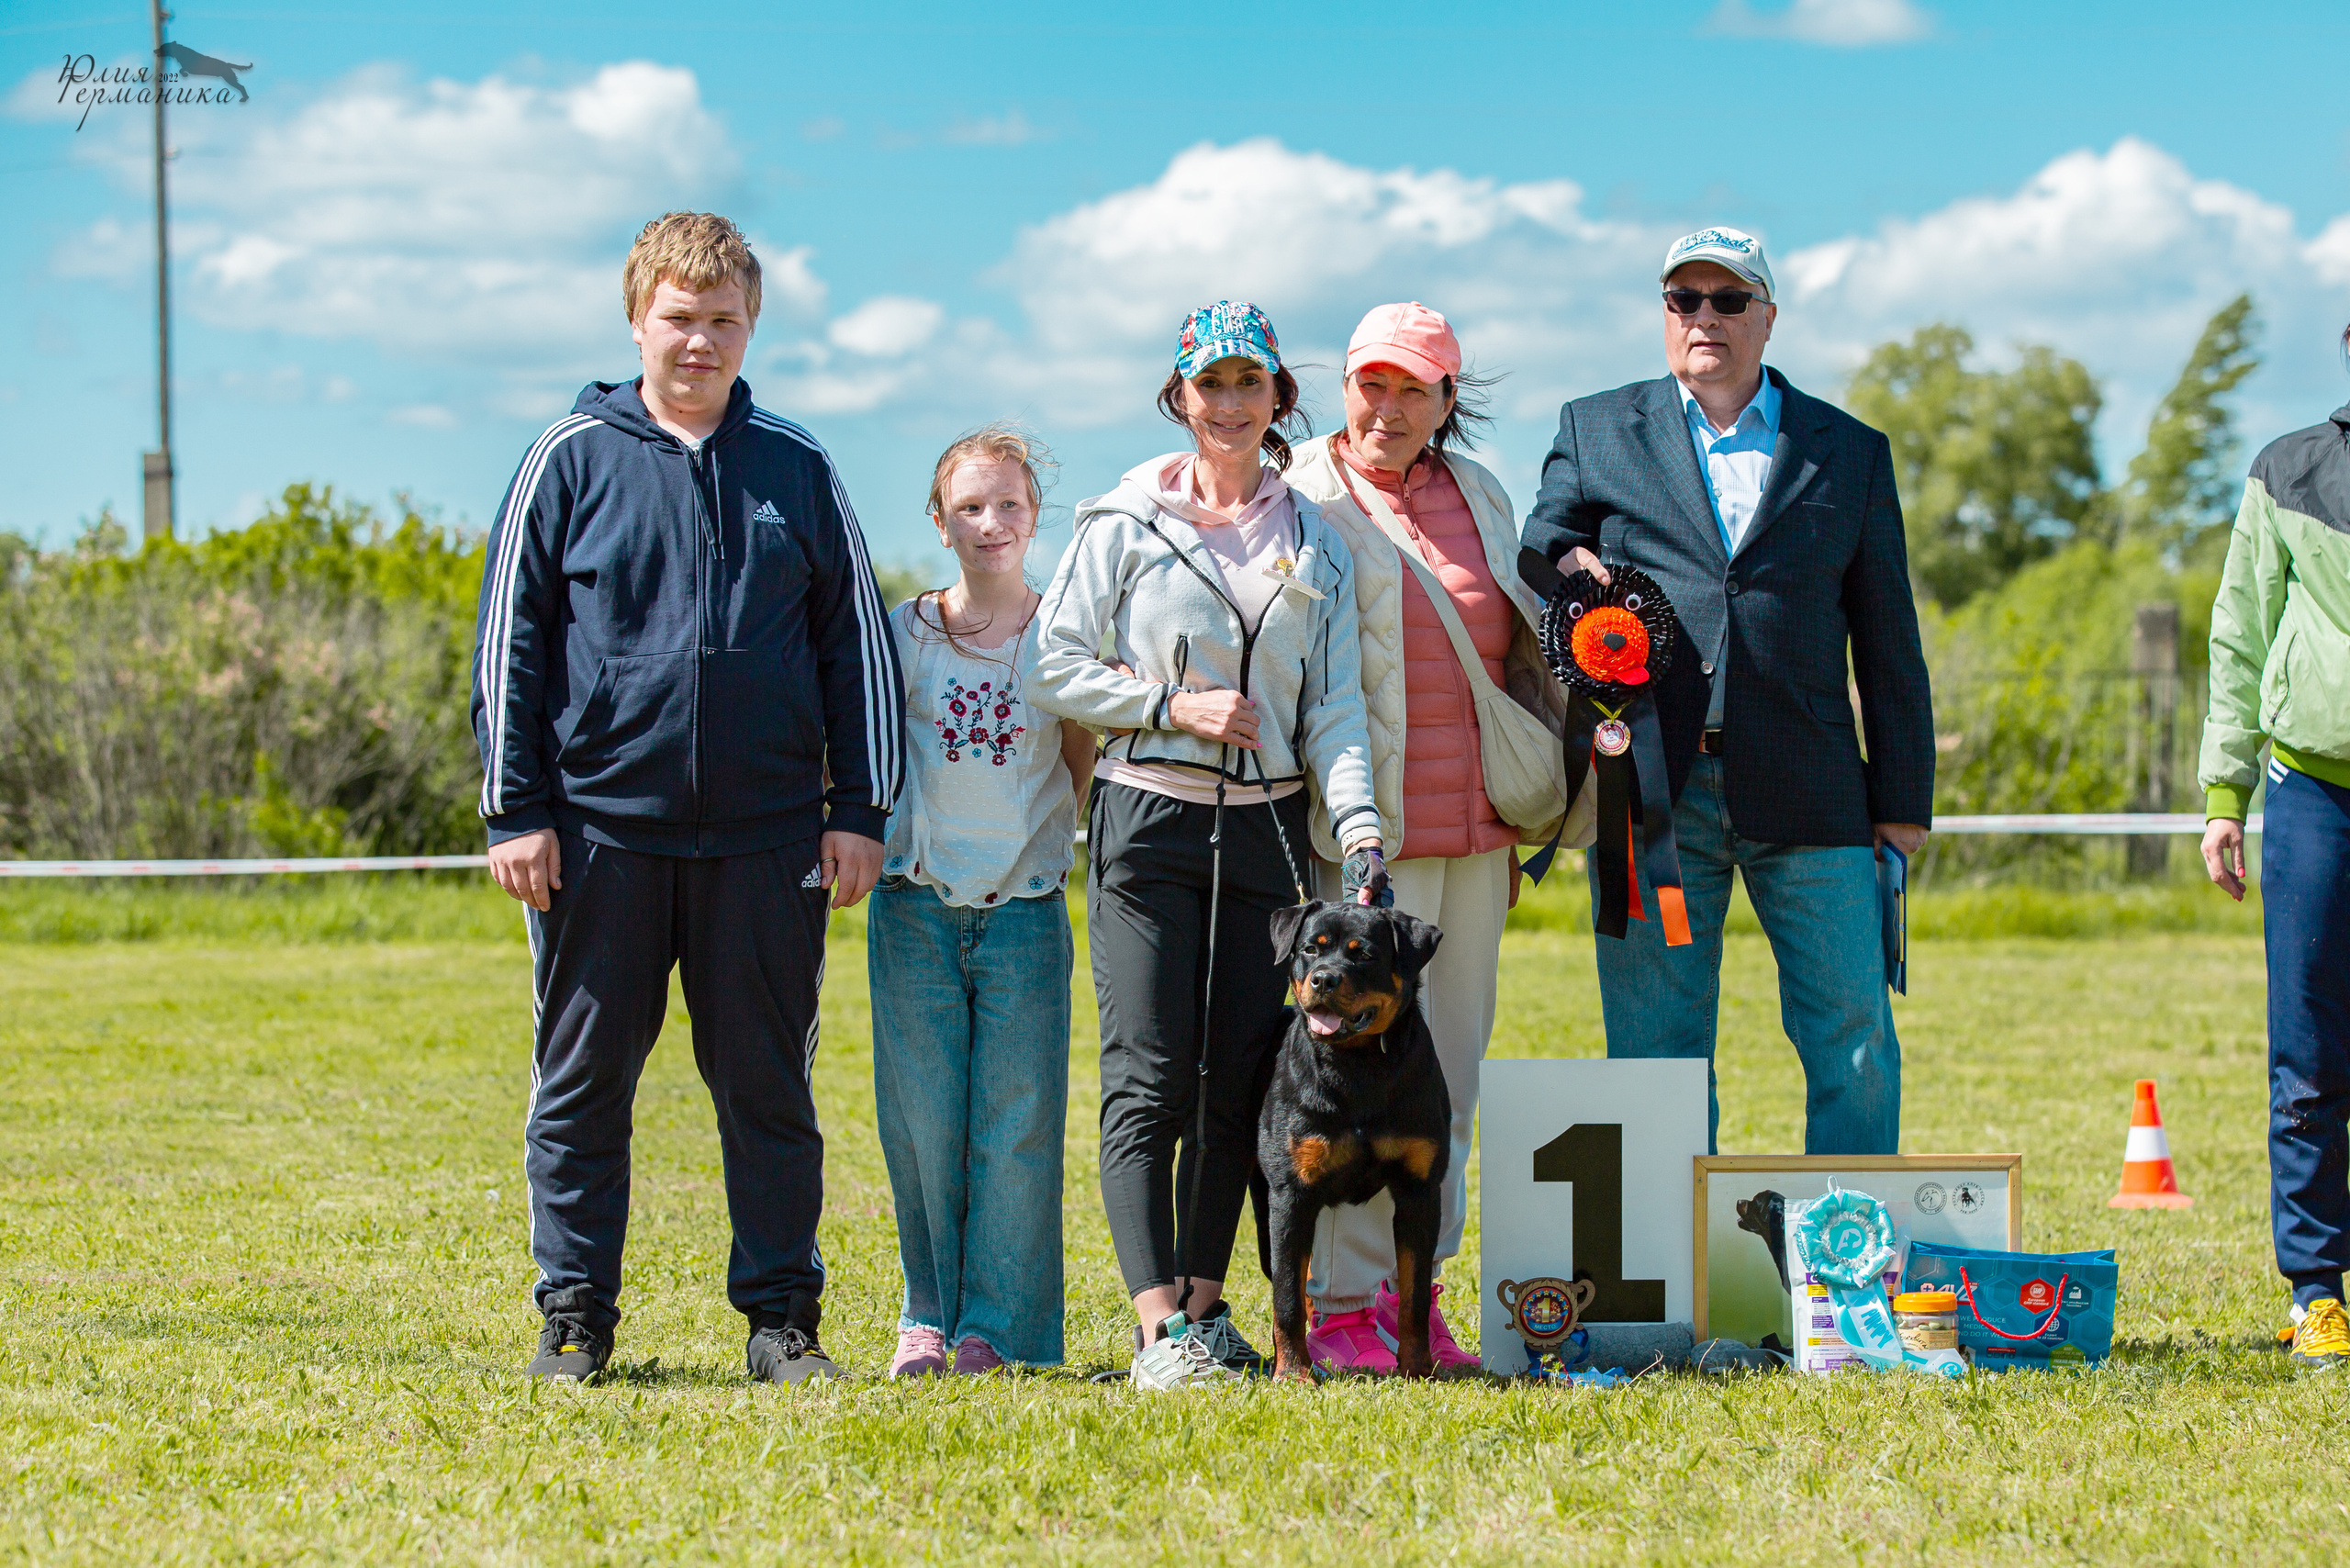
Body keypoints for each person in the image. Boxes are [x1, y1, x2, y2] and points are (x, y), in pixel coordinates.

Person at [473, 211, 902, 1385]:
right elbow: (510, 642)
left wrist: (859, 809)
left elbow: (853, 648)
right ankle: (575, 1318)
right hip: (598, 836)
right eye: (680, 317)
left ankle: (781, 1321)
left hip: (770, 843)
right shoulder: (568, 456)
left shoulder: (799, 467)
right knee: (581, 1085)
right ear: (637, 318)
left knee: (768, 1089)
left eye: (723, 320)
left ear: (750, 323)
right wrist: (516, 811)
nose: (701, 340)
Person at [1031, 300, 1386, 1389]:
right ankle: (1155, 1332)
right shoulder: (1123, 521)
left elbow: (1334, 709)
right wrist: (1167, 707)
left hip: (1272, 828)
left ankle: (1206, 1307)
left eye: (1250, 383)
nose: (1229, 403)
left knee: (1239, 1081)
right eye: (1209, 383)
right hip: (1148, 822)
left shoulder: (1314, 538)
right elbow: (1050, 666)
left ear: (1279, 398)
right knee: (1147, 1078)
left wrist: (1361, 835)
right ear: (1178, 396)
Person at [1518, 226, 1934, 1154]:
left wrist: (1903, 801)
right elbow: (1539, 541)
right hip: (1649, 791)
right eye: (1683, 300)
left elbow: (1888, 636)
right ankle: (1671, 1279)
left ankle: (1847, 1282)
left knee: (1854, 1041)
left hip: (1816, 789)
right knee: (1654, 1053)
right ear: (1664, 316)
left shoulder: (1850, 450)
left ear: (1766, 318)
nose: (1704, 317)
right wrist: (1584, 572)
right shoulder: (1594, 425)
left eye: (1727, 300)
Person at [1282, 302, 1570, 1372]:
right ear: (1342, 387)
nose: (1387, 408)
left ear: (1448, 402)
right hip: (1365, 835)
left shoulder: (1481, 493)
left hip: (1478, 832)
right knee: (1345, 1076)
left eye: (1413, 389)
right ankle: (1341, 1300)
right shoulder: (1305, 491)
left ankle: (1414, 1294)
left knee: (1448, 1074)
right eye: (1371, 383)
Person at [868, 426, 1093, 1378]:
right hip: (915, 905)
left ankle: (995, 1328)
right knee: (923, 1120)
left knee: (1019, 1122)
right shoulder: (902, 631)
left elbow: (1078, 760)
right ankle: (927, 1311)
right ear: (938, 520)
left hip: (1025, 912)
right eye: (969, 506)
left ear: (1034, 516)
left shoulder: (1065, 636)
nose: (990, 522)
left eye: (1008, 503)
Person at [2199, 342, 2350, 1371]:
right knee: (2307, 1049)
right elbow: (2240, 633)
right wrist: (2225, 791)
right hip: (2312, 792)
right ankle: (2316, 1290)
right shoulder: (2287, 468)